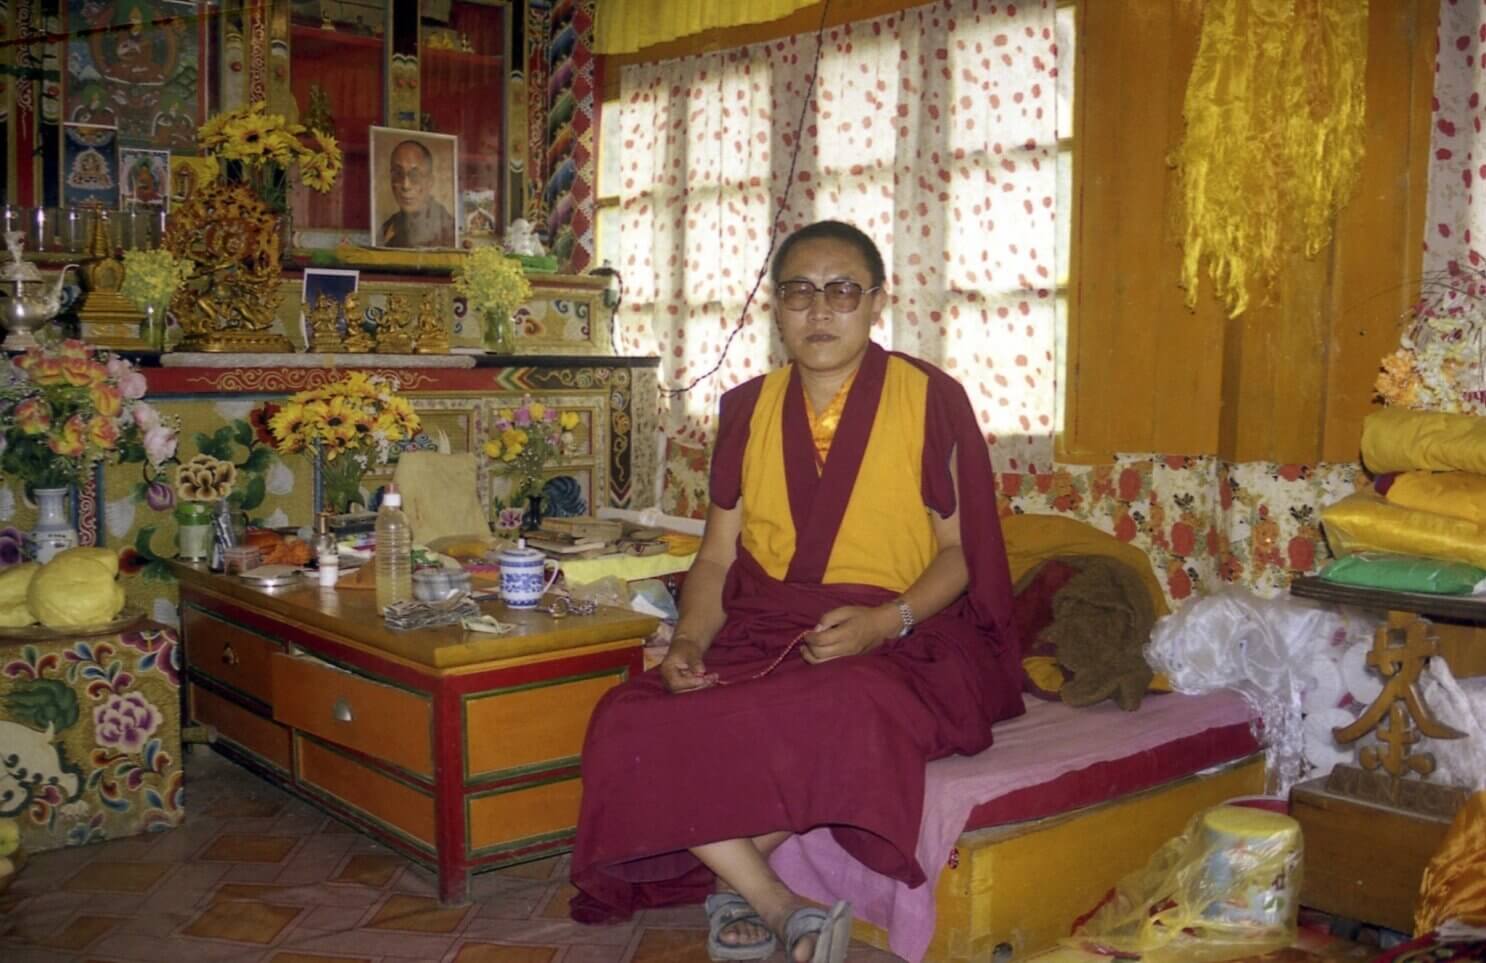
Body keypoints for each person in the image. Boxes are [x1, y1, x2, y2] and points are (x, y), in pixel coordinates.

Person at [569, 220, 1025, 963]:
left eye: (842, 290)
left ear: (877, 302)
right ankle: (774, 899)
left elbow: (958, 555)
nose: (820, 310)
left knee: (847, 702)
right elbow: (716, 559)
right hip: (770, 623)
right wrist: (687, 639)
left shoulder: (929, 397)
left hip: (904, 634)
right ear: (774, 309)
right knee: (627, 713)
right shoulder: (748, 407)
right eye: (799, 292)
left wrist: (886, 620)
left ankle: (740, 886)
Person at [379, 139, 455, 248]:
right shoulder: (388, 228)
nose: (406, 185)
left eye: (415, 175)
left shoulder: (447, 227)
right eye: (398, 173)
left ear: (430, 182)